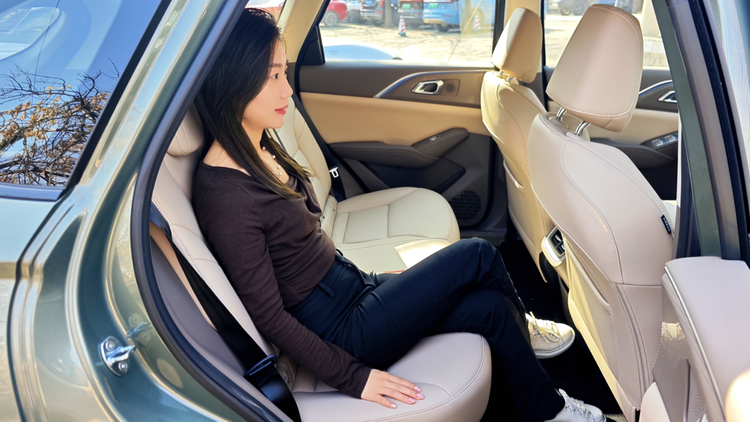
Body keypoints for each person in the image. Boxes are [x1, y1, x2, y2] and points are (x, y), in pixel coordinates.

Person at [191, 8, 604, 422]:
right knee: (477, 253)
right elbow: (269, 316)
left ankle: (544, 408)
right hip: (345, 332)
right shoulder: (225, 195)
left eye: (284, 74)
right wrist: (354, 377)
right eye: (273, 77)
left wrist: (376, 282)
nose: (287, 91)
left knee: (491, 308)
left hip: (355, 290)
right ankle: (536, 357)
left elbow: (304, 249)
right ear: (235, 79)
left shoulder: (258, 144)